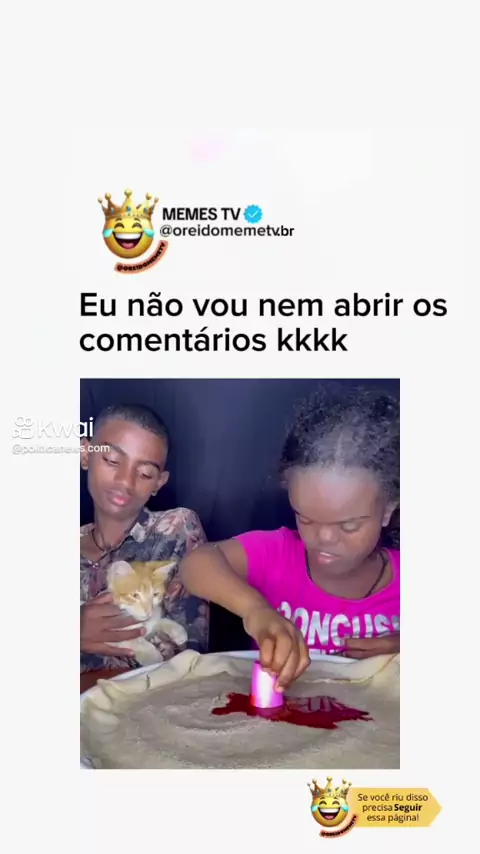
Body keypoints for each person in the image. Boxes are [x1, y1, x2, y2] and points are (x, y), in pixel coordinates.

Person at [180, 384, 400, 691]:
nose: (323, 537)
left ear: (388, 509)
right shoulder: (278, 553)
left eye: (349, 526)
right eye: (305, 518)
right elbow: (195, 565)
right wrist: (255, 610)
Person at [80, 403, 209, 673]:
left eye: (145, 474)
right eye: (112, 460)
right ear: (85, 454)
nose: (126, 481)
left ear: (158, 483)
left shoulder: (175, 529)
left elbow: (183, 662)